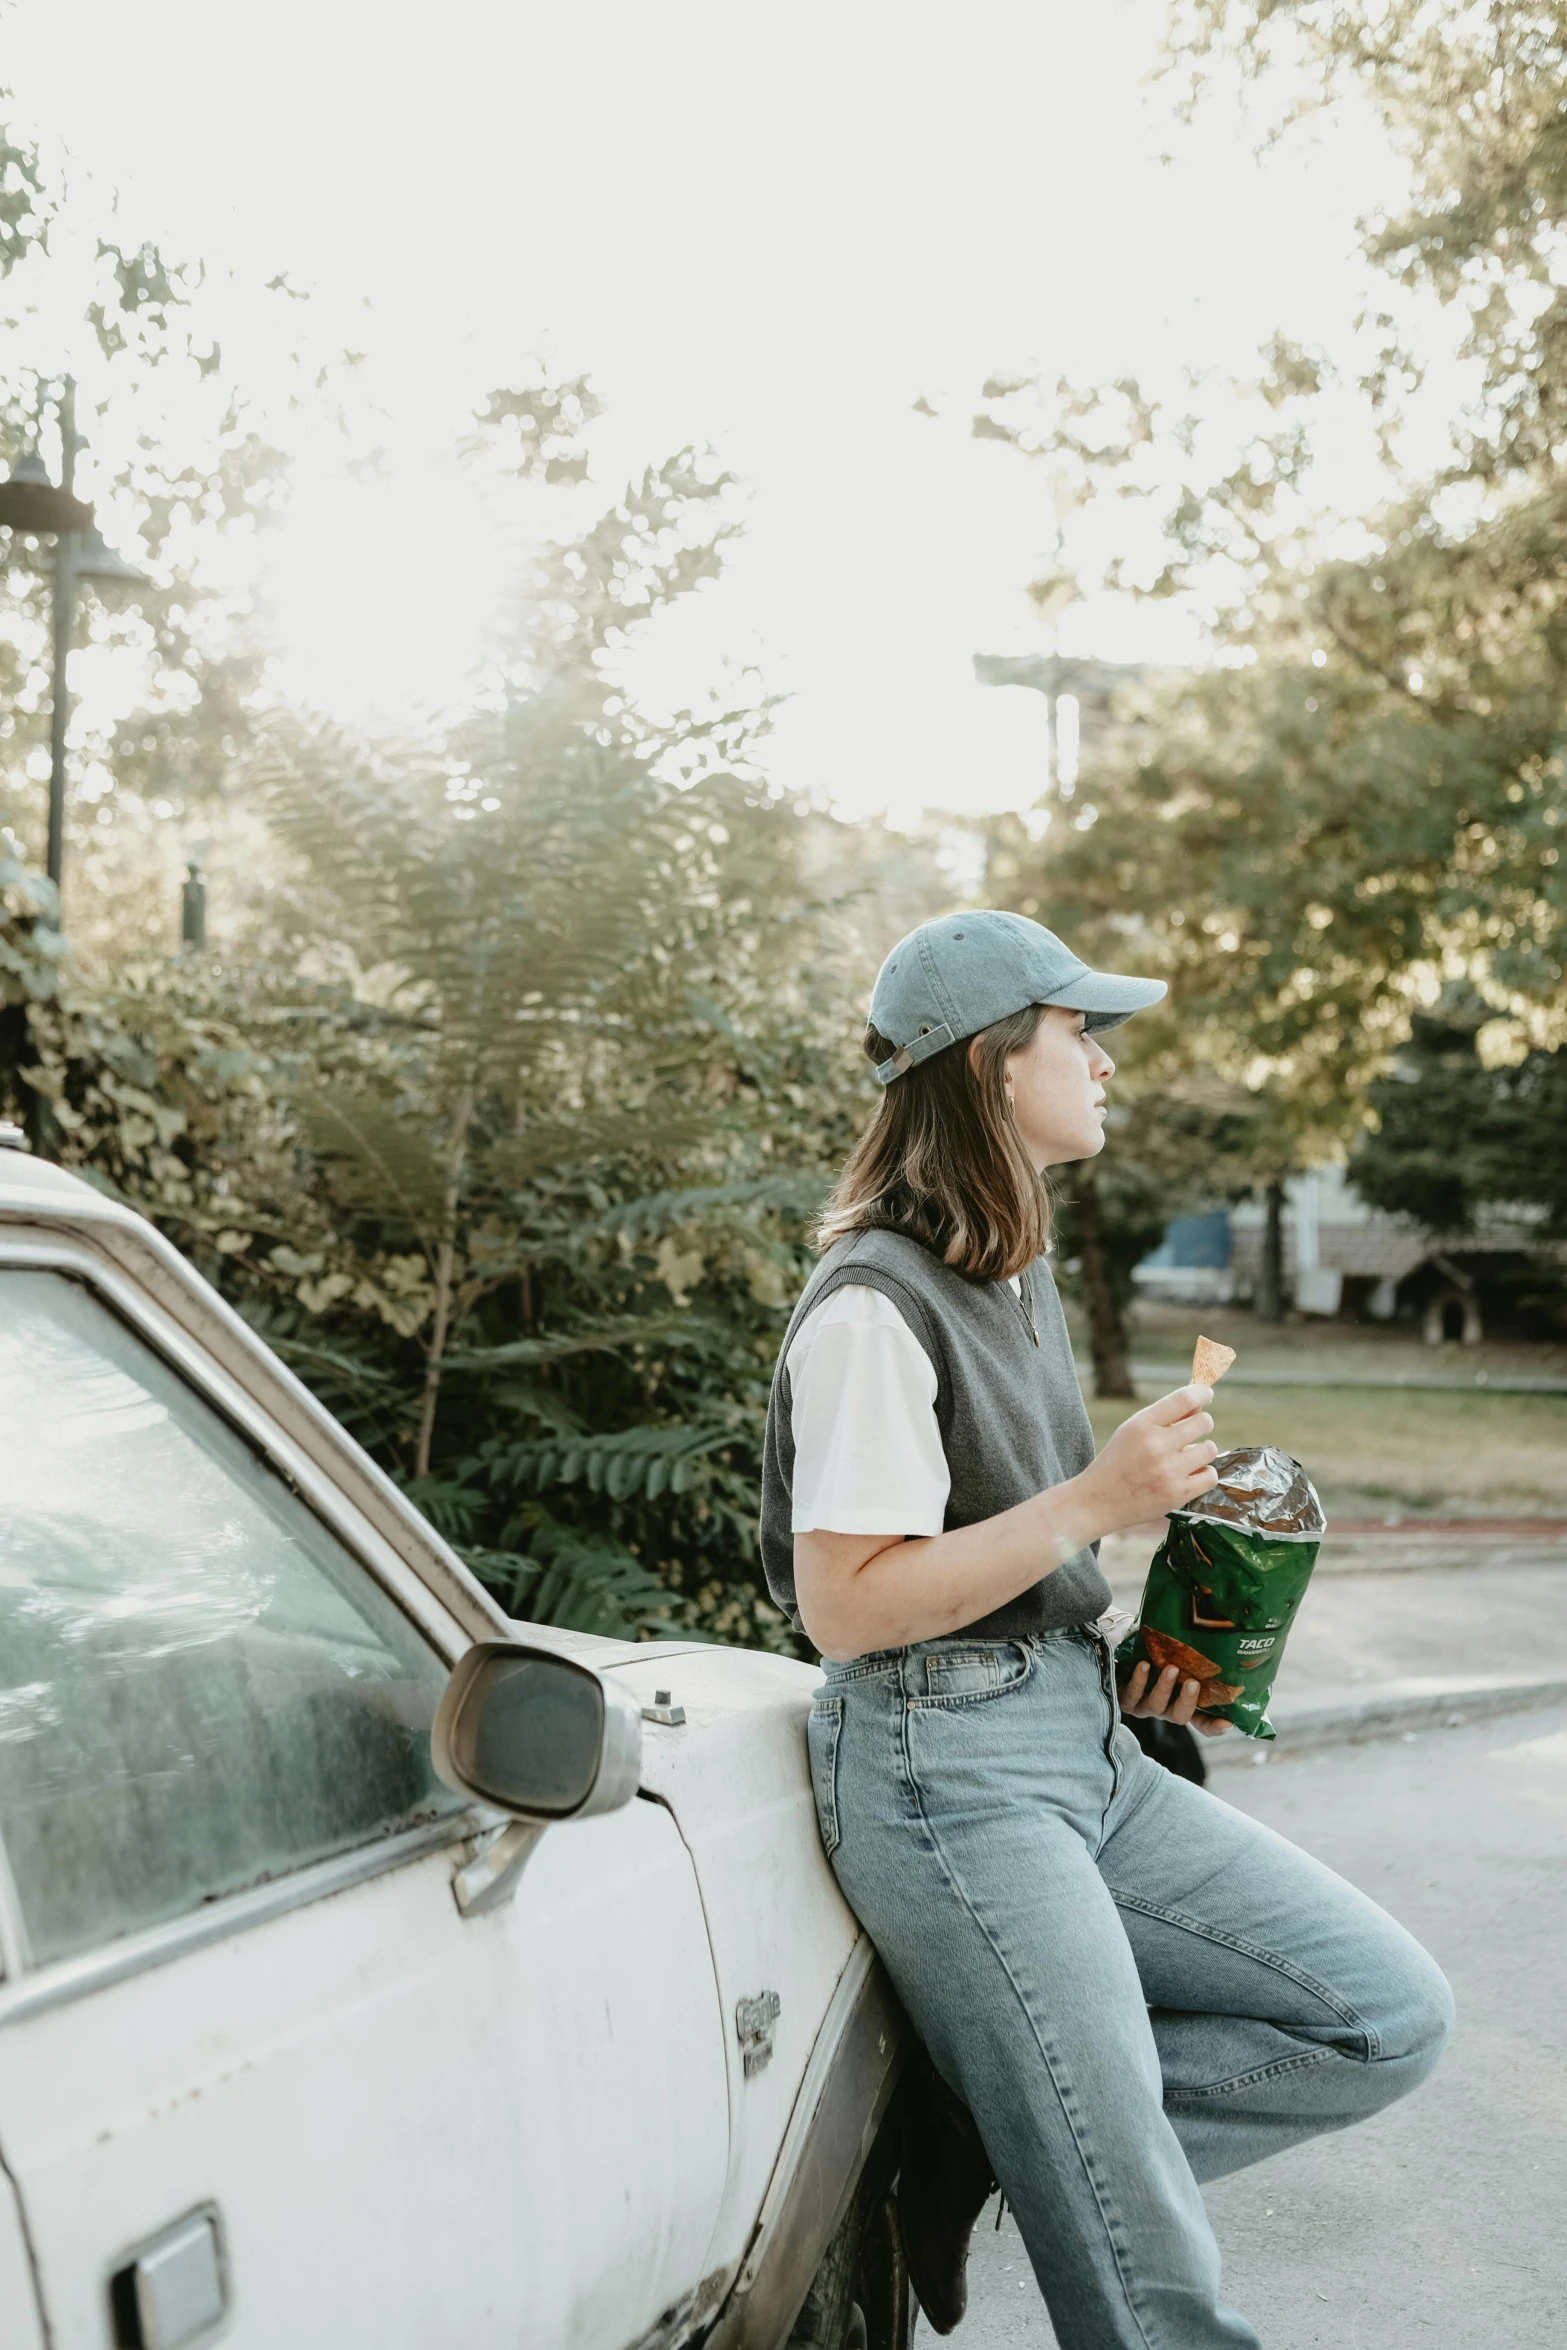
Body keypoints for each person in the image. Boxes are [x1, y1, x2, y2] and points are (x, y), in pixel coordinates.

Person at [759, 911, 1452, 2350]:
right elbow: (846, 1604)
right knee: (1145, 2274)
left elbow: (1002, 1557)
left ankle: (992, 2138)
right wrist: (1094, 1498)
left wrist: (1135, 1655)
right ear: (988, 1064)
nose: (1104, 1060)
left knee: (1381, 2011)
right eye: (1079, 1031)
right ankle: (1066, 2142)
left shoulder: (1006, 1266)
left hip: (1074, 1740)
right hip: (942, 1772)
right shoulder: (872, 1307)